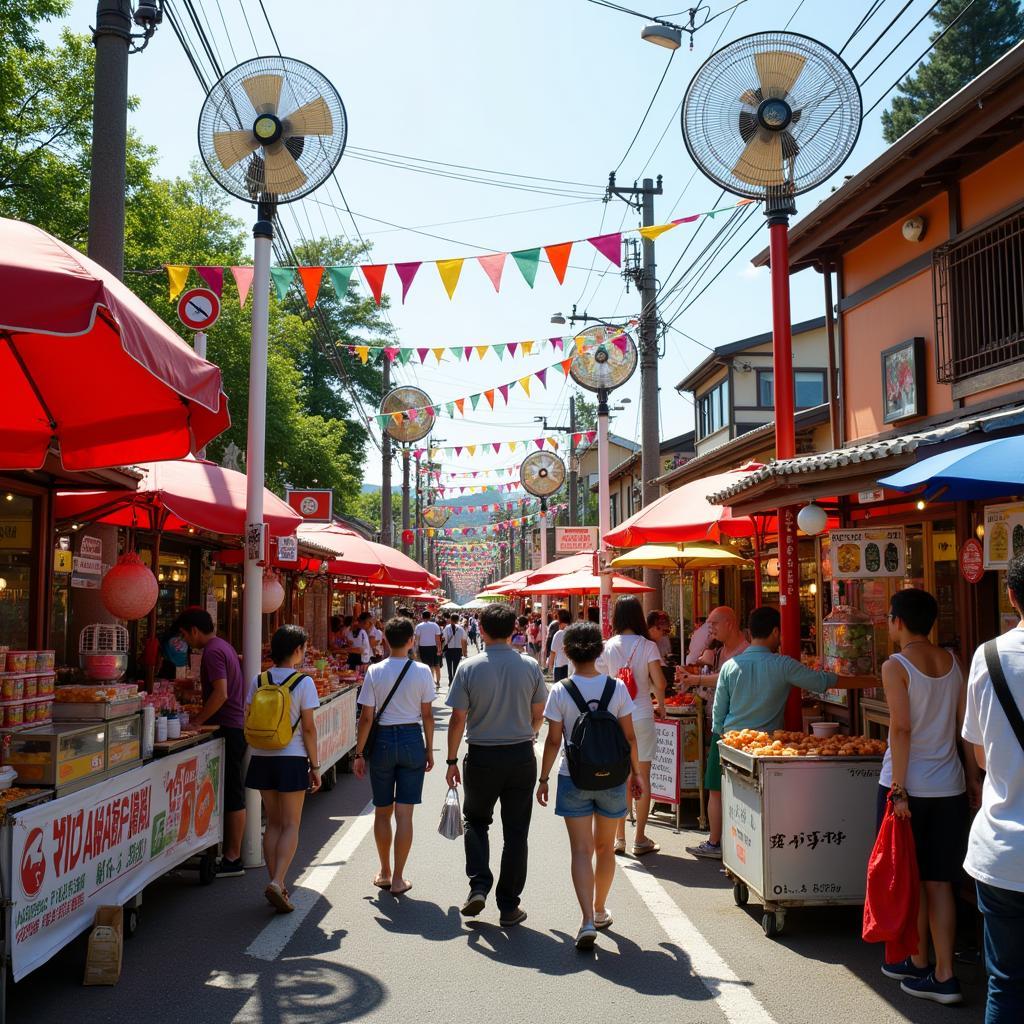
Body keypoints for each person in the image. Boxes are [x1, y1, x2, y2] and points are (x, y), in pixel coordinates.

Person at [687, 605, 875, 861]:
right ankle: (758, 848)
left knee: (719, 792)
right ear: (776, 632)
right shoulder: (783, 665)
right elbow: (822, 681)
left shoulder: (731, 667)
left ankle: (716, 843)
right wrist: (870, 680)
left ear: (750, 632)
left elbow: (719, 712)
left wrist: (720, 736)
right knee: (763, 801)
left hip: (729, 742)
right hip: (768, 747)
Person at [875, 588, 979, 1005]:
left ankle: (918, 962)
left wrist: (898, 789)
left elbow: (900, 728)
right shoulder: (953, 662)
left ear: (898, 620)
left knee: (910, 877)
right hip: (950, 785)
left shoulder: (895, 665)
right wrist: (971, 778)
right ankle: (945, 974)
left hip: (909, 786)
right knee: (941, 883)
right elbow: (963, 729)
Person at [537, 622, 645, 950]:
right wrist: (637, 774)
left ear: (567, 652)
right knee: (604, 848)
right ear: (599, 651)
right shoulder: (616, 688)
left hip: (574, 776)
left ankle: (585, 920)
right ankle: (600, 910)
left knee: (581, 851)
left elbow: (554, 741)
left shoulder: (561, 690)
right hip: (613, 778)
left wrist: (543, 779)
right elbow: (629, 737)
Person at [446, 603, 547, 927]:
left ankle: (478, 885)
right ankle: (508, 905)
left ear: (483, 631)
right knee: (516, 833)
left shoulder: (468, 667)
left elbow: (458, 717)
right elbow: (539, 713)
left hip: (482, 755)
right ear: (514, 628)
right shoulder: (530, 666)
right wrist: (528, 735)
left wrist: (450, 760)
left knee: (476, 821)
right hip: (520, 755)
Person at [963, 554, 1024, 1023]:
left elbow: (981, 755)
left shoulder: (988, 659)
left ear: (1011, 595)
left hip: (1002, 851)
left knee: (1005, 984)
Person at [353, 617, 435, 896]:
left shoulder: (375, 671)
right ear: (412, 640)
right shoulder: (423, 671)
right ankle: (399, 878)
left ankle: (385, 871)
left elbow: (366, 717)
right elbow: (427, 715)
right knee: (405, 814)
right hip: (413, 739)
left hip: (383, 741)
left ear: (385, 639)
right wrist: (429, 749)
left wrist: (359, 753)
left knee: (382, 810)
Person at [243, 624, 321, 913]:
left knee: (272, 823)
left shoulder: (259, 679)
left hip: (262, 756)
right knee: (291, 824)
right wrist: (315, 766)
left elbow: (247, 718)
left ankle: (277, 883)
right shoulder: (304, 683)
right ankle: (278, 882)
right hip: (291, 757)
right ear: (297, 650)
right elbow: (309, 729)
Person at [175, 608, 247, 877]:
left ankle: (233, 858)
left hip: (228, 727)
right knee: (230, 790)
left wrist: (196, 721)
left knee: (232, 792)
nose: (185, 639)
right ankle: (229, 853)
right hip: (233, 725)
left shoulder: (213, 651)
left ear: (194, 630)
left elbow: (221, 693)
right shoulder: (223, 646)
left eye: (184, 634)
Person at [603, 597, 667, 857]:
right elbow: (660, 682)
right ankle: (640, 838)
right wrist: (660, 704)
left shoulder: (608, 646)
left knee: (620, 777)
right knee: (642, 776)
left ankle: (619, 837)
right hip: (641, 715)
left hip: (615, 717)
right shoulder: (648, 645)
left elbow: (601, 679)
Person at [413, 610, 442, 689]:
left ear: (422, 616)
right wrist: (439, 649)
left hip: (423, 648)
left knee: (427, 666)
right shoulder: (435, 625)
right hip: (434, 647)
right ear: (430, 616)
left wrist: (415, 649)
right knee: (436, 665)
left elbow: (417, 639)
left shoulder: (419, 626)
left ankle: (431, 682)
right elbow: (438, 639)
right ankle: (438, 681)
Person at [442, 613, 469, 687]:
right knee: (456, 666)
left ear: (451, 619)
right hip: (458, 649)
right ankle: (455, 680)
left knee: (449, 666)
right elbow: (464, 640)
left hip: (449, 649)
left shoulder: (447, 628)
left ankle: (450, 680)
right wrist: (464, 652)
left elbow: (444, 638)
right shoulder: (461, 628)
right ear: (458, 620)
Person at [547, 608, 573, 681]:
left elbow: (553, 652)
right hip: (572, 667)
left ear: (559, 619)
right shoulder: (573, 631)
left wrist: (550, 667)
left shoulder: (559, 633)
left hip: (560, 667)